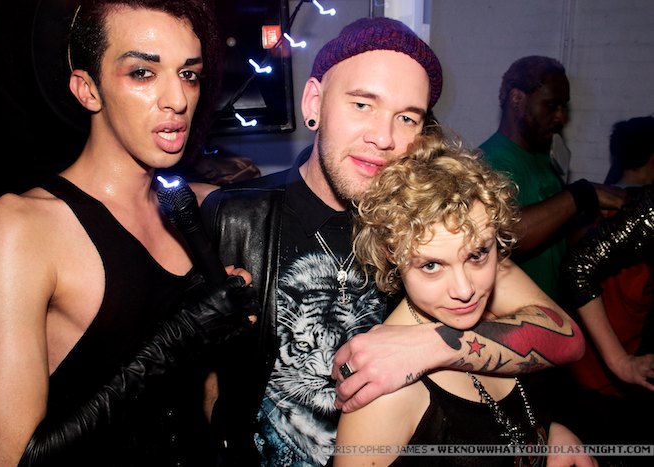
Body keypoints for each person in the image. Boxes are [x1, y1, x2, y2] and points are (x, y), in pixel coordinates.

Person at [201, 18, 584, 467]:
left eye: (406, 118)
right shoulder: (235, 217)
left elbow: (563, 336)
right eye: (362, 104)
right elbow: (209, 384)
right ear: (314, 102)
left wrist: (430, 346)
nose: (383, 138)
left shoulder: (431, 220)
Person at [0, 1, 256, 465]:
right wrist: (179, 339)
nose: (178, 99)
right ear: (87, 90)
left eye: (189, 74)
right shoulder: (19, 229)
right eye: (143, 73)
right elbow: (8, 460)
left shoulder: (204, 207)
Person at [334, 133, 594, 467]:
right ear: (392, 254)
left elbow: (568, 340)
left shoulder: (493, 279)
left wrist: (548, 436)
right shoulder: (384, 394)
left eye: (477, 255)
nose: (465, 289)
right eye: (431, 265)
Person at [479, 55, 627, 301]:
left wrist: (609, 224)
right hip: (515, 315)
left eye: (563, 107)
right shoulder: (487, 161)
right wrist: (581, 194)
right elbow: (506, 236)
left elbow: (558, 239)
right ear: (517, 99)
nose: (561, 117)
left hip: (551, 310)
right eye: (551, 106)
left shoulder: (543, 159)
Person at [566, 115, 654, 396]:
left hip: (582, 360)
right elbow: (633, 290)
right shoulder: (635, 212)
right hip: (610, 370)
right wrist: (620, 360)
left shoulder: (597, 203)